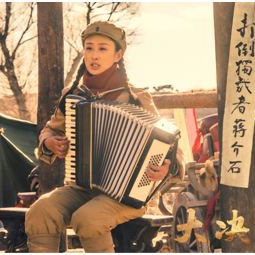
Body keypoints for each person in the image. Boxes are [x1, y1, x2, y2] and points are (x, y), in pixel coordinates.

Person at [25, 21, 186, 253]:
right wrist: (50, 142)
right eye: (89, 48)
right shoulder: (73, 96)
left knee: (88, 218)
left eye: (103, 49)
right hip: (81, 188)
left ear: (118, 55)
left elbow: (173, 146)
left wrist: (168, 167)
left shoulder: (137, 98)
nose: (94, 55)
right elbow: (50, 130)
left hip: (130, 194)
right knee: (39, 211)